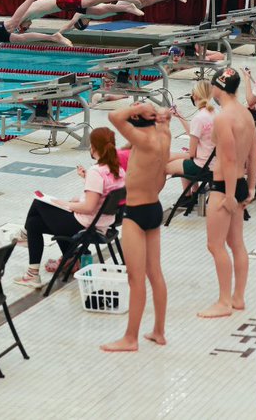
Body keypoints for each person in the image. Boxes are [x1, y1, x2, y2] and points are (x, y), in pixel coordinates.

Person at [97, 102, 171, 351]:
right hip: (154, 209)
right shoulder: (163, 134)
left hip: (136, 213)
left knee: (135, 279)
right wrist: (156, 114)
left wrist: (137, 108)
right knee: (155, 274)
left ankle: (131, 338)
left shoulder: (143, 140)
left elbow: (113, 115)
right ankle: (159, 331)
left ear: (137, 118)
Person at [15, 127, 124, 289]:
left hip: (85, 225)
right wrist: (86, 179)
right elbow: (102, 195)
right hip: (103, 223)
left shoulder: (96, 171)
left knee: (38, 202)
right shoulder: (119, 170)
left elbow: (88, 207)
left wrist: (66, 205)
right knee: (34, 224)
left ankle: (24, 237)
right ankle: (36, 272)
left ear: (93, 147)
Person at [198, 67, 256, 319]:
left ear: (217, 87)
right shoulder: (246, 113)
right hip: (241, 183)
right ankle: (238, 298)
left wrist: (230, 196)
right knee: (236, 243)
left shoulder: (223, 118)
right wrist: (251, 187)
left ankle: (224, 302)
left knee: (215, 245)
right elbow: (255, 152)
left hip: (225, 187)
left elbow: (231, 159)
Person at [17, 0, 187, 33]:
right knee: (146, 1)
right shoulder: (90, 15)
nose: (88, 23)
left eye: (86, 24)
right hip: (117, 6)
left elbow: (67, 26)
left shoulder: (80, 15)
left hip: (118, 4)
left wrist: (57, 35)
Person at [166, 80, 217, 193]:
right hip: (214, 162)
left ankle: (151, 200)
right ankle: (191, 194)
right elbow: (195, 134)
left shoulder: (199, 118)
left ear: (195, 95)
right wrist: (180, 116)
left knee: (164, 167)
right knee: (176, 158)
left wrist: (177, 156)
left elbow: (192, 154)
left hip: (202, 166)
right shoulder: (214, 113)